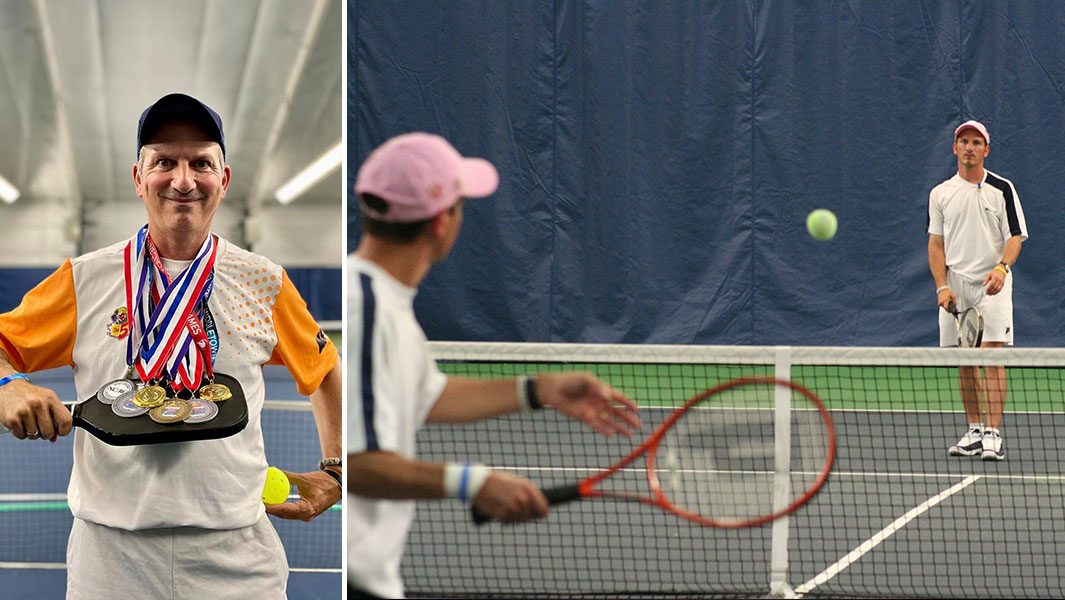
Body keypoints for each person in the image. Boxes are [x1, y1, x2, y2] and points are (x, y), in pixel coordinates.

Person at [0, 93, 343, 599]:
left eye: (201, 162)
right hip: (110, 561)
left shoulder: (263, 281)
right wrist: (7, 383)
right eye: (164, 162)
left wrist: (336, 470)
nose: (183, 179)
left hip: (238, 558)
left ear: (223, 181)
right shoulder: (84, 279)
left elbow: (325, 367)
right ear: (138, 179)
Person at [347, 132, 642, 599]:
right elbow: (353, 464)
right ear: (443, 221)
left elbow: (428, 394)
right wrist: (473, 482)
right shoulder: (365, 304)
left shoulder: (386, 304)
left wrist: (539, 389)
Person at [928, 119, 1027, 461]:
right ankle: (974, 430)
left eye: (976, 143)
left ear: (986, 150)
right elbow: (936, 245)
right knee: (965, 360)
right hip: (956, 285)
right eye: (963, 142)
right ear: (955, 148)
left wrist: (1003, 267)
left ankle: (993, 434)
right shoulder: (940, 193)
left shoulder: (1002, 189)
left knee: (991, 357)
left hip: (992, 284)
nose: (969, 148)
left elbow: (1015, 236)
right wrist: (942, 285)